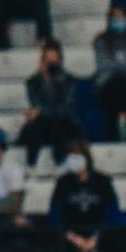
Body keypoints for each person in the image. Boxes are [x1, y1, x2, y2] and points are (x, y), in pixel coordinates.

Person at [49, 142, 123, 252]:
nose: (72, 160)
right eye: (70, 156)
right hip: (71, 234)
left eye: (76, 155)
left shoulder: (103, 181)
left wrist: (95, 238)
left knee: (120, 237)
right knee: (49, 237)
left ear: (86, 158)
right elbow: (55, 215)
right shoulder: (62, 183)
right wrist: (73, 238)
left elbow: (112, 213)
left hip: (98, 233)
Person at [19, 40, 83, 170]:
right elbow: (35, 104)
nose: (51, 62)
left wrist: (42, 111)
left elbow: (65, 108)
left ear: (60, 59)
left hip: (64, 123)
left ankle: (59, 163)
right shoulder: (33, 81)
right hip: (43, 124)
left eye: (54, 58)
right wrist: (45, 81)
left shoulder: (69, 80)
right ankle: (31, 165)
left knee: (57, 124)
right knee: (35, 127)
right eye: (48, 59)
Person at [93, 9, 126, 139]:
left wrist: (120, 64)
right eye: (115, 17)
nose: (118, 20)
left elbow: (117, 64)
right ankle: (122, 123)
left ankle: (124, 121)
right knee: (119, 85)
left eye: (120, 17)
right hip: (108, 84)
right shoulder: (102, 40)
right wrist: (125, 66)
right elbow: (104, 66)